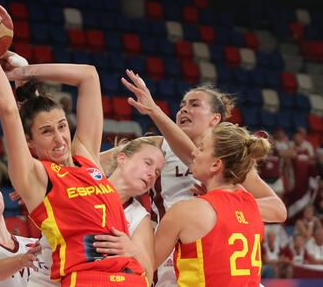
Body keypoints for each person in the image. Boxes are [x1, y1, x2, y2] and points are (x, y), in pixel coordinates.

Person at [0, 4, 148, 286]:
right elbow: (8, 111)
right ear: (30, 142)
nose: (59, 138)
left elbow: (89, 76)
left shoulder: (86, 158)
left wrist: (25, 72)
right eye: (46, 132)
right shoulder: (36, 177)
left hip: (132, 278)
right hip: (86, 279)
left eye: (61, 126)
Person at [101, 70, 287, 285]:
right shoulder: (156, 145)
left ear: (215, 119)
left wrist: (222, 203)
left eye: (194, 104)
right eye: (181, 105)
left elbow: (278, 210)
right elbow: (96, 161)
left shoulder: (231, 159)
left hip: (211, 247)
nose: (184, 109)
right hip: (164, 253)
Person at [13, 138, 165, 285]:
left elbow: (148, 274)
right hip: (47, 280)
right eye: (147, 163)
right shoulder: (77, 183)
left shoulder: (139, 216)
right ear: (122, 158)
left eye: (157, 172)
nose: (152, 174)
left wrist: (132, 249)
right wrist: (36, 186)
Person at [153, 122, 269, 286]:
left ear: (216, 164)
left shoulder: (185, 211)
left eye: (201, 148)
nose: (193, 152)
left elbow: (144, 265)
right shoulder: (251, 204)